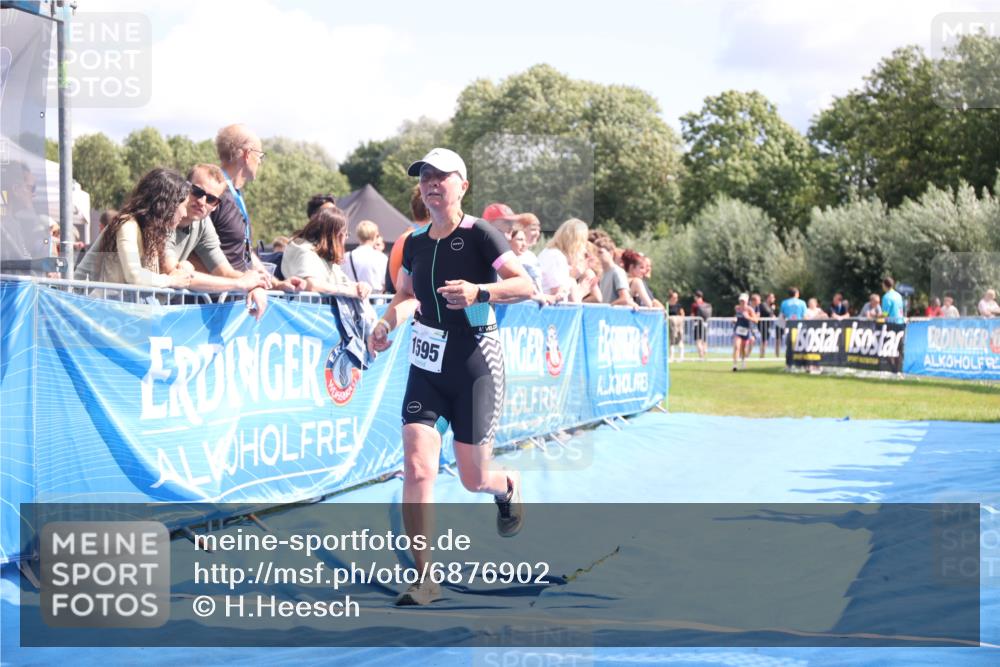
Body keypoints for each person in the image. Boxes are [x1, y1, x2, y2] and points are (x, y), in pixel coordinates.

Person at [366, 148, 534, 606]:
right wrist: (385, 324)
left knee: (472, 478)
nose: (431, 183)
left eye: (441, 176)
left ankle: (507, 485)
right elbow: (404, 295)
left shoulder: (480, 235)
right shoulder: (414, 242)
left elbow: (525, 285)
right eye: (425, 177)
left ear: (463, 185)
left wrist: (481, 290)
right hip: (426, 366)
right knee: (418, 466)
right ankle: (425, 578)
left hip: (475, 362)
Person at [160, 164, 272, 319]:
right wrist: (240, 284)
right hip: (128, 306)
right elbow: (173, 273)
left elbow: (225, 271)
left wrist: (254, 284)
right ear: (184, 187)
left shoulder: (203, 223)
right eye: (197, 192)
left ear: (216, 206)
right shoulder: (163, 214)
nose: (202, 201)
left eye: (211, 199)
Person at [74, 168, 193, 289]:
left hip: (103, 303)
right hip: (84, 302)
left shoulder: (150, 232)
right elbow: (134, 275)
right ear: (168, 204)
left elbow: (149, 282)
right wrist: (171, 280)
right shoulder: (128, 225)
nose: (185, 214)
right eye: (184, 206)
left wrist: (183, 268)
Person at [210, 123, 268, 273]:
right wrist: (238, 281)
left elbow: (244, 251)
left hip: (237, 292)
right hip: (216, 295)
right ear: (247, 154)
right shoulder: (212, 194)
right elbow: (194, 252)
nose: (260, 161)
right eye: (260, 155)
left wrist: (273, 281)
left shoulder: (235, 193)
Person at [281, 207, 372, 299]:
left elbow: (342, 283)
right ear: (337, 235)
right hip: (304, 311)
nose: (346, 239)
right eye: (346, 234)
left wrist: (360, 286)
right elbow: (312, 285)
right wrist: (350, 291)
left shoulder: (323, 254)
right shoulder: (304, 250)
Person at [537, 218, 593, 303]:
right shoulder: (556, 257)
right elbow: (558, 297)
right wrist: (580, 290)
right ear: (577, 242)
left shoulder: (549, 252)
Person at [342, 220, 388, 292]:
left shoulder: (346, 257)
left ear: (358, 236)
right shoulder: (382, 258)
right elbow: (385, 283)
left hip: (352, 300)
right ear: (374, 236)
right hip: (376, 300)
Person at [595, 237, 634, 306]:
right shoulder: (602, 274)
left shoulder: (617, 272)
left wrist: (607, 307)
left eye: (600, 252)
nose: (597, 255)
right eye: (595, 252)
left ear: (611, 253)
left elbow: (625, 298)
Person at [732, 293, 758, 371]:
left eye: (744, 301)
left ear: (747, 301)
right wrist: (734, 320)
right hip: (738, 330)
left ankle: (743, 362)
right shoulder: (737, 308)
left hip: (746, 330)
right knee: (737, 346)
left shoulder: (750, 309)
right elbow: (736, 316)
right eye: (741, 301)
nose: (742, 303)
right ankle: (735, 365)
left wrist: (748, 317)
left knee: (743, 348)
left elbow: (756, 320)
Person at [691, 290, 712, 360]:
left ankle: (701, 355)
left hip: (697, 324)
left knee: (698, 340)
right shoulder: (706, 305)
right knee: (704, 340)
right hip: (705, 323)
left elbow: (692, 315)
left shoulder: (695, 305)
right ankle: (704, 352)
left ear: (696, 296)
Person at [667, 290, 685, 361]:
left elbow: (682, 313)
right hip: (671, 325)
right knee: (672, 340)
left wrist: (680, 319)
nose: (676, 299)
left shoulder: (678, 305)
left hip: (678, 324)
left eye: (677, 297)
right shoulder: (667, 305)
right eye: (674, 297)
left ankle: (681, 356)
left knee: (680, 339)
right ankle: (671, 356)